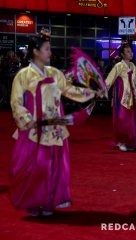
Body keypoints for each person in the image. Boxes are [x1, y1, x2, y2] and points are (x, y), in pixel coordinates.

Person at [10, 29, 99, 217]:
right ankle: (34, 202)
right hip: (34, 129)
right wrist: (28, 121)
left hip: (55, 129)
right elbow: (16, 103)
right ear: (36, 52)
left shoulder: (55, 73)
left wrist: (91, 93)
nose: (51, 52)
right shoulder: (24, 76)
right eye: (47, 49)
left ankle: (49, 201)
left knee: (53, 167)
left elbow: (70, 90)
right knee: (37, 168)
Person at [105, 42, 136, 152]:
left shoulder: (132, 66)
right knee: (122, 120)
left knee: (131, 121)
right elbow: (109, 80)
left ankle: (129, 142)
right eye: (127, 52)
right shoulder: (118, 66)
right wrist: (102, 90)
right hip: (121, 98)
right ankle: (121, 141)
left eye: (131, 51)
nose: (131, 53)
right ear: (122, 55)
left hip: (132, 98)